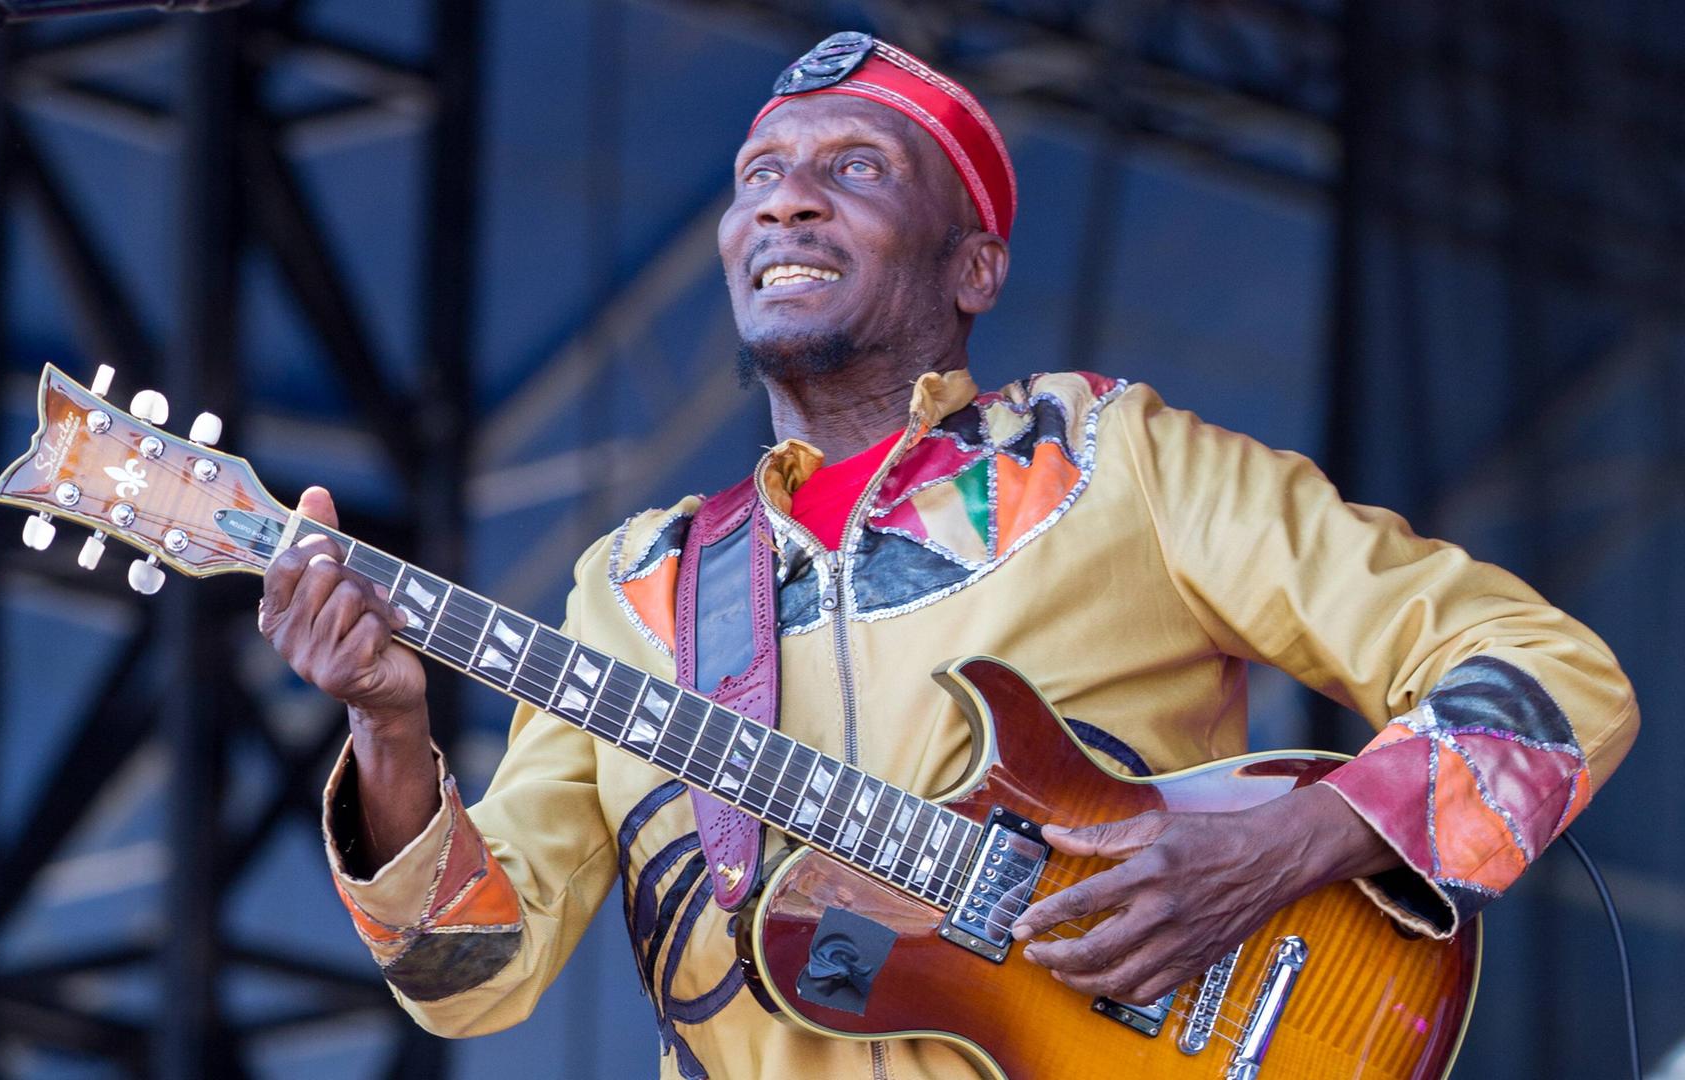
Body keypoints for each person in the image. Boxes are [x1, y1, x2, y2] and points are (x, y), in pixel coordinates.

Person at [255, 32, 1639, 1080]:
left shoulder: (1119, 462)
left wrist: (1277, 850)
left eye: (852, 170)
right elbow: (472, 975)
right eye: (758, 180)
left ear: (975, 267)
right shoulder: (636, 592)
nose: (784, 204)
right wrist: (388, 731)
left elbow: (1552, 681)